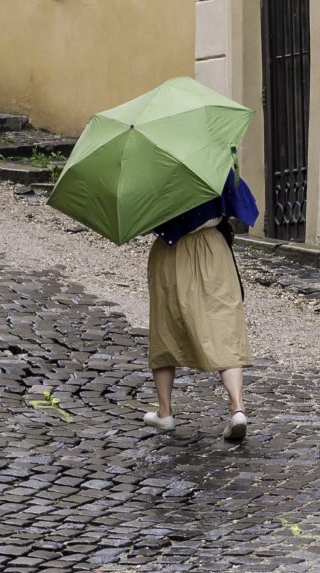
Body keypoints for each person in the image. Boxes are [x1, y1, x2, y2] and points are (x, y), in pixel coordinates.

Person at [142, 171, 259, 441]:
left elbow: (144, 217)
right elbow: (240, 202)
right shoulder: (211, 158)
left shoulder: (152, 169)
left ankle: (165, 411)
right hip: (212, 247)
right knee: (223, 323)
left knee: (166, 326)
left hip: (170, 251)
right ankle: (237, 408)